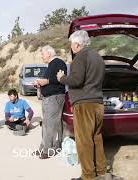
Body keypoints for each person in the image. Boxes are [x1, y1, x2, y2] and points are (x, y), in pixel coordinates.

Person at [57, 30, 106, 180]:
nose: (71, 47)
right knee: (96, 138)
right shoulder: (98, 57)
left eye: (72, 44)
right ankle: (101, 172)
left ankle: (88, 176)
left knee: (84, 141)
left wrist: (62, 78)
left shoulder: (80, 57)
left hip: (84, 105)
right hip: (97, 103)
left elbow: (76, 80)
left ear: (77, 44)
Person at [33, 45, 67, 159]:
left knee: (50, 124)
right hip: (48, 98)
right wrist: (40, 84)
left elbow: (62, 78)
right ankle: (43, 148)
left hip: (55, 97)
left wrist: (46, 81)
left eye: (43, 53)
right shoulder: (50, 65)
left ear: (49, 53)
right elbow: (51, 81)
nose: (41, 56)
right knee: (46, 124)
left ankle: (47, 150)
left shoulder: (59, 63)